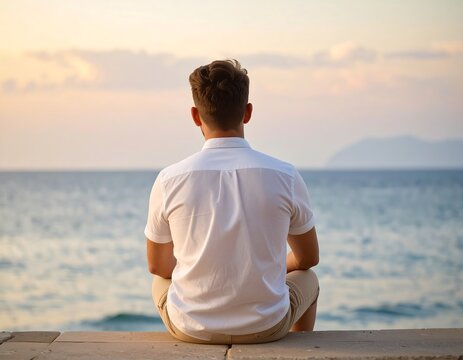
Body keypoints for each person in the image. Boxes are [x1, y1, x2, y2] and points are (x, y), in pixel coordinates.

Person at [145, 59, 319, 345]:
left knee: (159, 282)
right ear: (247, 112)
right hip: (267, 326)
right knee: (308, 279)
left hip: (191, 328)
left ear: (195, 115)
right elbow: (308, 259)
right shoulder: (284, 175)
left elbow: (158, 266)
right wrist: (263, 268)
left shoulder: (169, 179)